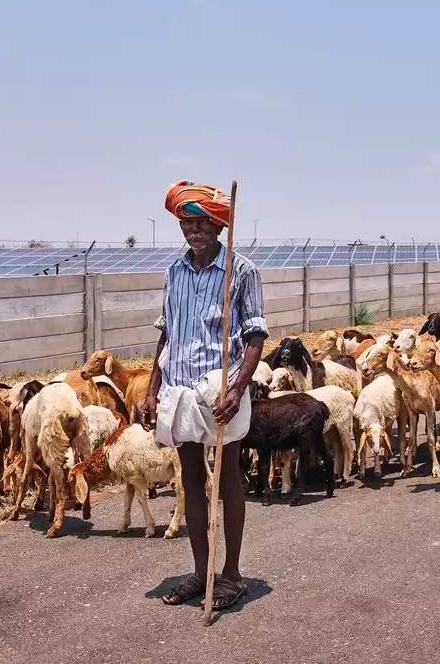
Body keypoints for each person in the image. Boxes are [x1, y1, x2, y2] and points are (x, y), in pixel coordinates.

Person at [137, 180, 267, 611]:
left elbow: (254, 337)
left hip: (220, 388)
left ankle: (231, 576)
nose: (193, 230)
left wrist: (238, 386)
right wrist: (152, 388)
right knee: (190, 478)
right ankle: (200, 570)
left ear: (217, 225)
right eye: (186, 222)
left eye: (201, 222)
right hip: (180, 388)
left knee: (228, 477)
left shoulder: (241, 271)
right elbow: (167, 334)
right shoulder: (174, 272)